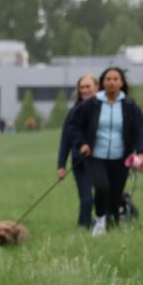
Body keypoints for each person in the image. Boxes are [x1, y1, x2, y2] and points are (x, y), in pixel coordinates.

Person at [69, 67, 143, 237]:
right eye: (108, 79)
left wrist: (141, 153)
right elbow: (74, 126)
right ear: (102, 83)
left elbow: (140, 130)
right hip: (95, 156)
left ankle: (112, 220)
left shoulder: (129, 106)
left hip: (121, 157)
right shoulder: (91, 104)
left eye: (115, 79)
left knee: (115, 193)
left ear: (121, 83)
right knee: (101, 186)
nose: (111, 82)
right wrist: (82, 143)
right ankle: (99, 220)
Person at [57, 74, 98, 229]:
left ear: (97, 87)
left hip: (102, 160)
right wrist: (61, 165)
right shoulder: (73, 112)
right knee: (86, 198)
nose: (85, 90)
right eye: (82, 87)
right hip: (80, 162)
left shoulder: (105, 109)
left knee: (104, 193)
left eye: (88, 87)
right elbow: (65, 140)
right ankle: (84, 225)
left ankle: (101, 222)